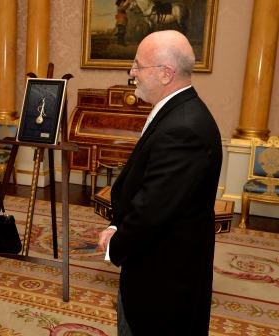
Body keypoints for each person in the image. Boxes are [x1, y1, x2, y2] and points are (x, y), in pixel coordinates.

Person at [98, 30, 222, 335]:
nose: (132, 73)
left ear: (166, 73)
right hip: (154, 266)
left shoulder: (185, 128)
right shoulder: (176, 111)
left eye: (138, 66)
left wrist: (116, 244)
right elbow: (147, 185)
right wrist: (117, 224)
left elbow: (152, 211)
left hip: (165, 280)